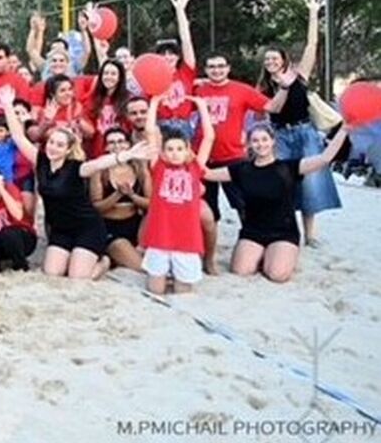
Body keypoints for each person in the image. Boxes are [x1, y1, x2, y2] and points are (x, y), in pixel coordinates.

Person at [1, 90, 143, 279]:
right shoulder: (40, 160)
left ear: (68, 150)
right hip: (61, 229)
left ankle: (104, 262)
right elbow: (19, 138)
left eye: (60, 145)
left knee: (77, 277)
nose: (53, 147)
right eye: (51, 142)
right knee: (52, 273)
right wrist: (7, 106)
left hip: (87, 227)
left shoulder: (77, 168)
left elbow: (99, 163)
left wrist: (126, 155)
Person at [204, 124, 348, 283]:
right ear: (249, 144)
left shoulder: (289, 167)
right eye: (255, 140)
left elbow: (324, 159)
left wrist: (344, 130)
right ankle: (262, 254)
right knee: (240, 271)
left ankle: (279, 254)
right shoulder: (241, 169)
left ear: (273, 141)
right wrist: (186, 153)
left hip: (283, 232)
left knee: (276, 275)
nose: (261, 144)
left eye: (265, 139)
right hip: (253, 232)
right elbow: (208, 174)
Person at [255, 0, 338, 245]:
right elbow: (264, 114)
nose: (271, 62)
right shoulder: (262, 87)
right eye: (267, 60)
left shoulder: (298, 77)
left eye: (275, 58)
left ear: (284, 59)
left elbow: (312, 45)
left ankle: (310, 235)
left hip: (305, 132)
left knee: (311, 183)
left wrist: (313, 13)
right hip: (279, 136)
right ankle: (286, 230)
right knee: (282, 184)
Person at [194, 52, 286, 263]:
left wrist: (285, 87)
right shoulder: (198, 89)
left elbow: (273, 107)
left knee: (245, 205)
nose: (216, 70)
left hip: (234, 158)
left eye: (220, 66)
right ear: (206, 70)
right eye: (211, 67)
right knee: (207, 211)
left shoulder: (241, 89)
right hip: (203, 158)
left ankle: (258, 246)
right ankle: (208, 254)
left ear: (228, 68)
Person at [140, 95, 215, 294]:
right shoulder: (159, 167)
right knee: (155, 289)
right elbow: (149, 132)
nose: (174, 153)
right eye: (170, 149)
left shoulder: (195, 167)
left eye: (180, 149)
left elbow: (209, 137)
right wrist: (155, 103)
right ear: (163, 152)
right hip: (159, 238)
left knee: (184, 290)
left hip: (187, 240)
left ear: (187, 150)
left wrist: (201, 106)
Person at [89, 128, 151, 271]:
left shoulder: (139, 169)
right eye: (111, 142)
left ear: (129, 145)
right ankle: (115, 257)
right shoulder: (100, 170)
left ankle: (122, 257)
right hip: (109, 226)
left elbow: (150, 204)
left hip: (135, 224)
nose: (117, 146)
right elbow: (97, 207)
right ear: (105, 147)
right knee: (142, 267)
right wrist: (117, 194)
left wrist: (131, 196)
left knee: (156, 213)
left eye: (121, 141)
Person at [152, 0, 199, 138]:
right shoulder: (152, 78)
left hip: (183, 124)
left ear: (178, 57)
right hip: (162, 125)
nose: (168, 57)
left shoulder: (186, 72)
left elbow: (186, 41)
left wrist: (180, 11)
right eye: (163, 54)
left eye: (171, 53)